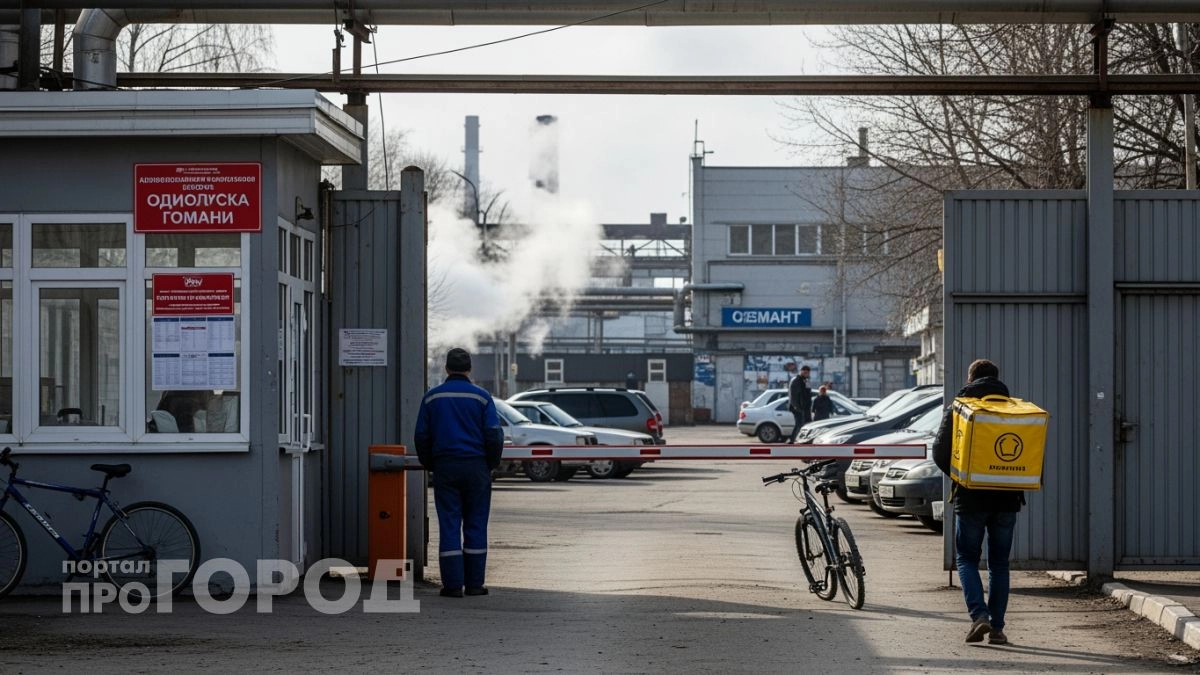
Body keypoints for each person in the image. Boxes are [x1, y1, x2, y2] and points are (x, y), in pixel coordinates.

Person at [932, 358, 1022, 645]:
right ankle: (997, 629)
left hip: (971, 498)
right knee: (999, 563)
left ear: (970, 379)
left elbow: (939, 451)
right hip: (1007, 498)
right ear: (997, 379)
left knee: (967, 559)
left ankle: (978, 615)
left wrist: (962, 476)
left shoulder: (959, 407)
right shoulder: (1014, 409)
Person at [414, 348, 505, 598]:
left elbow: (421, 435)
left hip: (445, 466)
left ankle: (453, 585)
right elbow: (494, 435)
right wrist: (491, 463)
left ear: (446, 369)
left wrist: (431, 463)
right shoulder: (482, 398)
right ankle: (475, 584)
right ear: (469, 369)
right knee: (476, 523)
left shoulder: (432, 398)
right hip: (476, 467)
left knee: (450, 523)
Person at [785, 364, 813, 443]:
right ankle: (792, 440)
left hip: (805, 407)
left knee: (805, 423)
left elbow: (808, 393)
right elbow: (793, 395)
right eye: (804, 372)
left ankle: (802, 440)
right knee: (799, 423)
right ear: (801, 371)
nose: (806, 374)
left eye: (807, 373)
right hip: (798, 407)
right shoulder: (796, 380)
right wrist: (796, 407)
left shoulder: (806, 381)